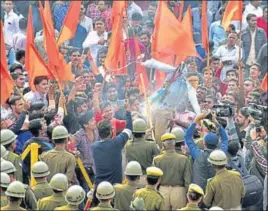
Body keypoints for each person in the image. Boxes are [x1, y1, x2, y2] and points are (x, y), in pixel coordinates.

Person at [185, 113, 228, 190]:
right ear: (217, 143)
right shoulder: (221, 154)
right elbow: (225, 139)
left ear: (204, 143)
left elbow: (187, 137)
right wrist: (215, 122)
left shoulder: (198, 155)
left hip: (199, 191)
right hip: (217, 190)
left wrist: (196, 120)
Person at [153, 133, 191, 210]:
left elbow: (154, 180)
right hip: (179, 191)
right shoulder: (184, 159)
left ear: (163, 145)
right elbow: (187, 180)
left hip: (162, 190)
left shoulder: (157, 159)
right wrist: (188, 195)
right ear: (174, 144)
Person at [92, 120, 132, 185]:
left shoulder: (93, 147)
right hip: (115, 187)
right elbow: (128, 130)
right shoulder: (117, 143)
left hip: (99, 186)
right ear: (110, 132)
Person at [125, 118, 160, 187]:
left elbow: (133, 139)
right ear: (144, 132)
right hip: (146, 179)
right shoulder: (151, 145)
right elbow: (159, 157)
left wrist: (144, 134)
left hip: (132, 180)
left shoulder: (128, 145)